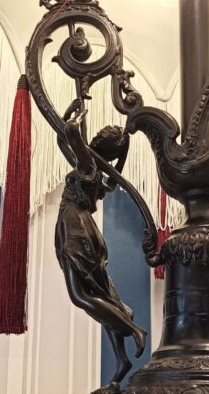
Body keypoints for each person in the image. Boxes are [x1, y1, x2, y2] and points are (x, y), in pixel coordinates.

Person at [55, 110, 146, 393]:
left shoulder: (88, 166)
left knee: (80, 295)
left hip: (76, 229)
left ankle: (133, 329)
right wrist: (122, 151)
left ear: (99, 142)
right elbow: (63, 141)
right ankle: (121, 357)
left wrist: (78, 116)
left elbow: (70, 132)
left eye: (100, 134)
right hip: (83, 230)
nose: (95, 135)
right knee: (98, 292)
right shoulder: (96, 171)